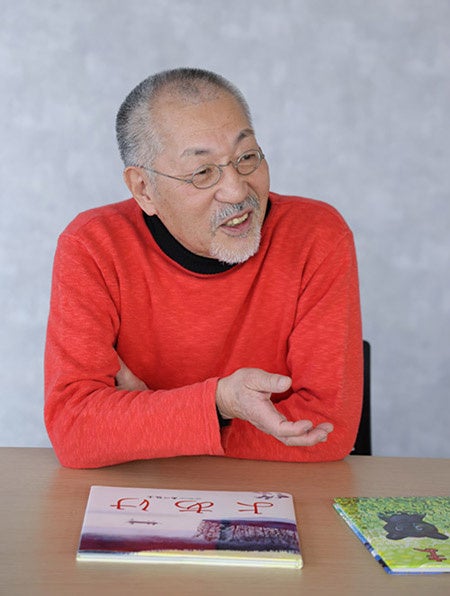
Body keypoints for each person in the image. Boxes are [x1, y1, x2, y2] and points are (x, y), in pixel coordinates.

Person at [44, 67, 363, 469]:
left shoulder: (316, 236)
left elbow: (326, 429)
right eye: (203, 172)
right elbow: (75, 430)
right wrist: (220, 403)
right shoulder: (92, 246)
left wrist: (148, 420)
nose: (236, 190)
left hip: (273, 492)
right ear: (143, 188)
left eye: (246, 157)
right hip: (143, 492)